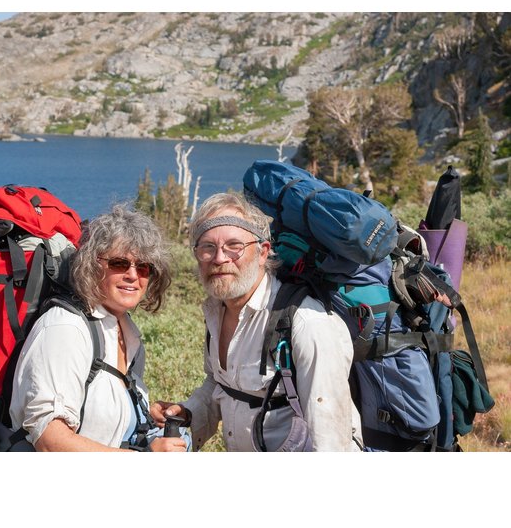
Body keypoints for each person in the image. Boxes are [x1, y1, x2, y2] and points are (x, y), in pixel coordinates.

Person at [150, 192, 363, 451]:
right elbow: (221, 385)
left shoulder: (306, 323)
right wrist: (189, 413)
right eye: (208, 247)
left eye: (234, 246)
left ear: (262, 253)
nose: (219, 258)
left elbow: (329, 438)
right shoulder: (217, 311)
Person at [10, 204, 188, 452]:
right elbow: (50, 441)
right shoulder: (65, 328)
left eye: (144, 267)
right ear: (91, 266)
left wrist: (141, 412)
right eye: (119, 263)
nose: (133, 275)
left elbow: (96, 406)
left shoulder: (124, 329)